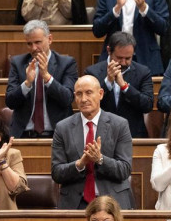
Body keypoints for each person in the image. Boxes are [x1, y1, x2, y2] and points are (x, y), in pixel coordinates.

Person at [52, 76, 135, 210]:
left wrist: (100, 159)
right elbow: (56, 172)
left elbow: (124, 170)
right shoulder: (63, 128)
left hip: (112, 202)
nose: (84, 99)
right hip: (75, 203)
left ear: (101, 94)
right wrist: (79, 164)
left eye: (89, 92)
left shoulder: (119, 124)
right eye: (79, 94)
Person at [5, 20, 80, 138]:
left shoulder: (66, 63)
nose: (34, 48)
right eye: (29, 44)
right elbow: (10, 102)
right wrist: (27, 83)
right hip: (24, 135)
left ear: (50, 39)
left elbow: (67, 98)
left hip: (57, 135)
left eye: (38, 42)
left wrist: (47, 77)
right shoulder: (18, 63)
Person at [83, 32, 155, 138]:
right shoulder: (93, 72)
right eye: (119, 58)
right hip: (101, 134)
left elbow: (147, 105)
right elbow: (89, 103)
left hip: (133, 134)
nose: (124, 62)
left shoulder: (143, 72)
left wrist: (125, 87)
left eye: (128, 58)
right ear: (109, 51)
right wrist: (108, 82)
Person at [91, 0, 170, 74]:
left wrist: (144, 8)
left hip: (146, 58)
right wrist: (116, 9)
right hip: (114, 60)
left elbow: (163, 28)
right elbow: (97, 30)